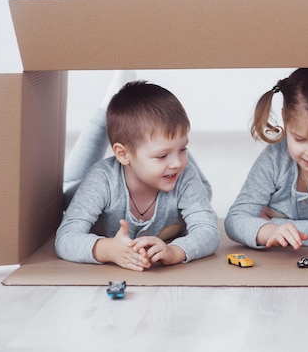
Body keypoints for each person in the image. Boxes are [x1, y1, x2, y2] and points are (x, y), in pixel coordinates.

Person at [55, 72, 220, 271]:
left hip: (158, 169)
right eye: (161, 156)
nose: (177, 163)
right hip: (81, 188)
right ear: (123, 154)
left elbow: (208, 231)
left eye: (184, 149)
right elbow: (66, 238)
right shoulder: (102, 180)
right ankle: (105, 109)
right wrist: (107, 249)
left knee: (204, 190)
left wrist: (174, 251)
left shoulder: (184, 175)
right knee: (63, 194)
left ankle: (170, 145)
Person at [224, 67, 308, 250]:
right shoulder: (276, 156)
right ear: (285, 119)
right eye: (300, 139)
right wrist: (268, 231)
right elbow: (235, 219)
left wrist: (270, 222)